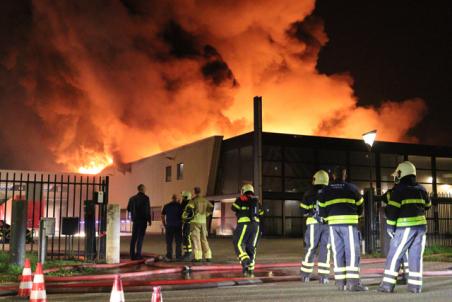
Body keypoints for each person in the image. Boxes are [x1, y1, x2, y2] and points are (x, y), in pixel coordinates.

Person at [378, 161, 431, 294]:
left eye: (398, 174)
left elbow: (392, 212)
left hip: (405, 227)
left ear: (402, 173)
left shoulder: (399, 190)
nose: (396, 177)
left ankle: (386, 286)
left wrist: (390, 228)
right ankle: (415, 287)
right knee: (416, 257)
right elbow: (428, 205)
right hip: (421, 228)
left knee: (394, 255)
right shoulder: (421, 189)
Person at [318, 166, 367, 291]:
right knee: (352, 253)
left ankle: (340, 283)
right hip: (349, 224)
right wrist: (356, 214)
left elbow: (321, 210)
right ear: (344, 175)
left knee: (338, 253)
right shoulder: (352, 188)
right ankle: (353, 284)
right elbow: (361, 206)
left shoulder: (325, 190)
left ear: (333, 176)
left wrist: (328, 217)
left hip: (333, 225)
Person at [300, 170, 331, 284]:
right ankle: (324, 277)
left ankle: (305, 275)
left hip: (313, 223)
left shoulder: (309, 193)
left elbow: (303, 210)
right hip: (327, 224)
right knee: (325, 249)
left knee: (311, 248)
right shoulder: (330, 192)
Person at [232, 184, 262, 276]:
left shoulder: (241, 199)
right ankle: (250, 268)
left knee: (238, 243)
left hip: (244, 224)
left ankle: (245, 260)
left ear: (243, 190)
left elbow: (233, 208)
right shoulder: (256, 201)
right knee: (251, 247)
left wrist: (241, 201)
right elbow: (262, 212)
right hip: (256, 226)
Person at [382, 181, 409, 284]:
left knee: (399, 251)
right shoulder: (406, 191)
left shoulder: (392, 193)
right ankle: (406, 274)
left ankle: (404, 275)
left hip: (397, 225)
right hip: (403, 223)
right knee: (403, 251)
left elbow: (384, 199)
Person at [185, 187, 213, 262]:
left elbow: (188, 209)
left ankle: (198, 257)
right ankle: (208, 256)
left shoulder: (193, 200)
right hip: (203, 222)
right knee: (204, 239)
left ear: (194, 192)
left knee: (196, 239)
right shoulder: (205, 200)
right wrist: (206, 214)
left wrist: (187, 217)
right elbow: (211, 207)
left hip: (195, 222)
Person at [127, 184, 151, 260]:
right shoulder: (146, 198)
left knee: (134, 237)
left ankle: (132, 255)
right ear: (142, 189)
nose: (145, 189)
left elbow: (128, 209)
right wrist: (149, 220)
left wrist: (134, 214)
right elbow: (147, 210)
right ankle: (138, 255)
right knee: (140, 238)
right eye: (145, 188)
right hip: (143, 220)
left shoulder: (132, 198)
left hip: (135, 221)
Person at [161, 194, 183, 261]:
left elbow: (162, 215)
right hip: (178, 226)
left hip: (169, 226)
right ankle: (178, 256)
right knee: (178, 242)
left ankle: (169, 256)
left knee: (169, 242)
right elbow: (184, 216)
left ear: (172, 198)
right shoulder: (180, 206)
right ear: (177, 199)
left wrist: (164, 224)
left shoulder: (166, 206)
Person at [181, 191, 194, 261]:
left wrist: (185, 219)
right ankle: (186, 252)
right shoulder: (185, 204)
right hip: (186, 223)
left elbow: (189, 215)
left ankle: (188, 253)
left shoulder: (189, 204)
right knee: (185, 238)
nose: (182, 198)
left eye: (183, 197)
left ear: (186, 197)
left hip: (188, 223)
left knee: (187, 237)